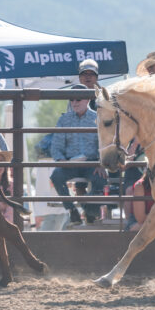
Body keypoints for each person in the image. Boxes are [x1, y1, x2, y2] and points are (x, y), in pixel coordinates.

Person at [50, 93, 103, 225]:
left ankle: (90, 210)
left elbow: (104, 144)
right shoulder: (64, 119)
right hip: (70, 163)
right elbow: (56, 146)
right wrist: (62, 161)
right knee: (56, 176)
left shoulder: (98, 118)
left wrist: (101, 163)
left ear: (87, 100)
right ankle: (73, 210)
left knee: (100, 178)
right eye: (71, 99)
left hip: (92, 162)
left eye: (78, 99)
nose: (74, 102)